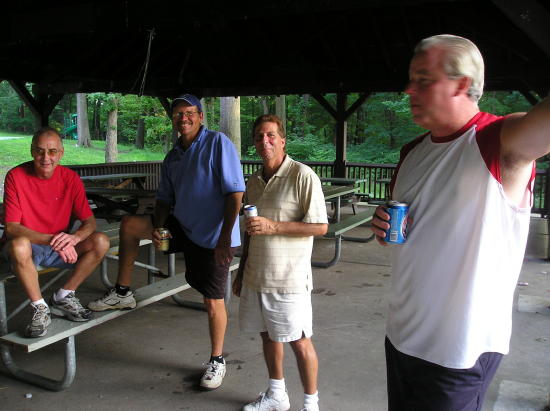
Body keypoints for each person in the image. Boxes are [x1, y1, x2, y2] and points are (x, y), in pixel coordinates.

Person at [371, 34, 550, 411]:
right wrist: (383, 225)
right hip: (401, 336)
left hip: (459, 351)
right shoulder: (411, 152)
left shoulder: (499, 141)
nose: (409, 90)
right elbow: (410, 227)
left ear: (461, 84)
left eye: (423, 80)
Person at [87, 93, 245, 390]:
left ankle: (217, 360)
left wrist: (225, 238)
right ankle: (122, 292)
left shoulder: (217, 143)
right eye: (178, 114)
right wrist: (159, 226)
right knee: (131, 224)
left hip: (214, 235)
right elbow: (163, 199)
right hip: (182, 226)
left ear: (200, 116)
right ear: (173, 119)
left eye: (189, 113)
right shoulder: (173, 156)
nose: (183, 118)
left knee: (212, 300)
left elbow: (235, 194)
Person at [233, 114, 328, 411]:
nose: (265, 141)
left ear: (283, 140)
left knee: (299, 340)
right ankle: (277, 395)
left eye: (271, 135)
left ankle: (311, 405)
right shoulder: (253, 181)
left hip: (289, 279)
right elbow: (250, 231)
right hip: (256, 275)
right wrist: (241, 272)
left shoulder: (303, 175)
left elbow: (320, 227)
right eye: (259, 136)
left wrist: (273, 226)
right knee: (268, 335)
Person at [1, 127, 110, 338]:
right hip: (27, 247)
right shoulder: (15, 176)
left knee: (101, 241)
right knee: (19, 244)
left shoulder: (70, 178)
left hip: (58, 246)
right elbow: (12, 228)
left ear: (61, 153)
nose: (46, 158)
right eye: (40, 151)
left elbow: (89, 222)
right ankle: (40, 308)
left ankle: (64, 296)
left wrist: (75, 238)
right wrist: (55, 240)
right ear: (32, 150)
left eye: (52, 151)